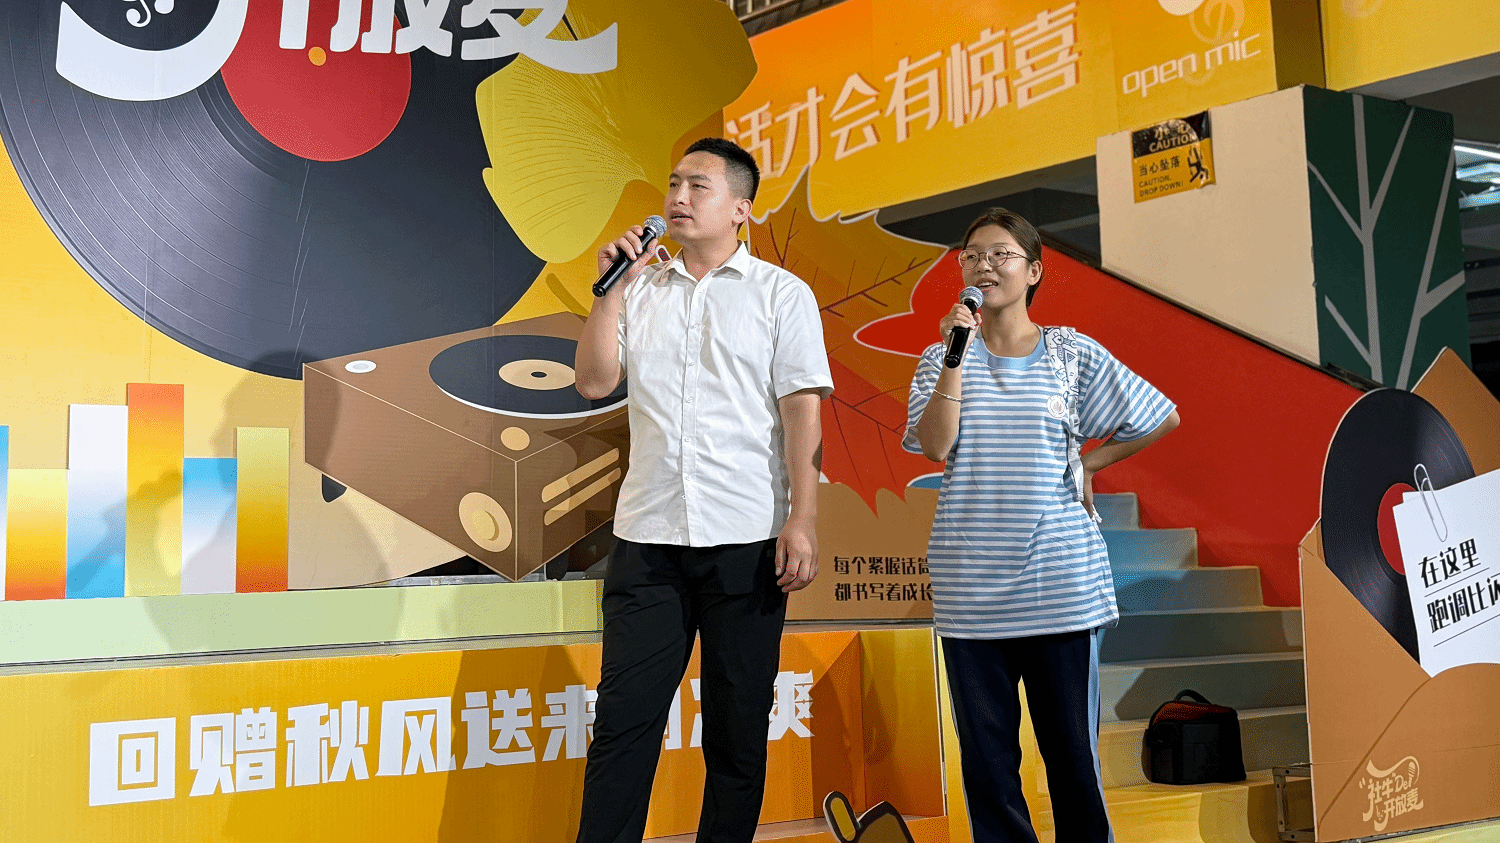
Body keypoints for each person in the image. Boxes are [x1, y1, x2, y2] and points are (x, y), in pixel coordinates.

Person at [572, 137, 833, 843]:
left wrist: (802, 520)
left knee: (736, 728)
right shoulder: (639, 288)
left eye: (698, 186)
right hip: (648, 539)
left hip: (746, 539)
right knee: (623, 723)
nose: (678, 197)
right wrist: (611, 290)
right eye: (673, 184)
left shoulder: (781, 294)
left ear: (741, 209)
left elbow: (802, 410)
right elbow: (593, 381)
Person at [903, 208, 1180, 843]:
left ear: (1033, 271)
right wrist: (954, 359)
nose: (985, 266)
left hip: (1059, 586)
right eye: (973, 255)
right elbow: (935, 446)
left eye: (1001, 254)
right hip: (971, 593)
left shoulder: (1070, 354)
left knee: (1072, 760)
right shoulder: (940, 358)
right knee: (988, 767)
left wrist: (1089, 463)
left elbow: (1159, 416)